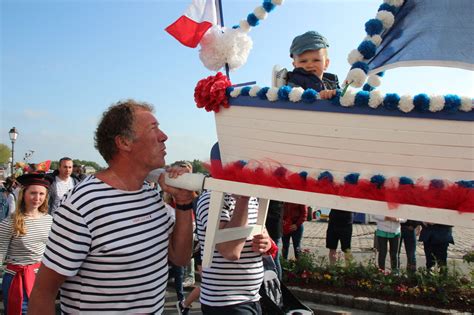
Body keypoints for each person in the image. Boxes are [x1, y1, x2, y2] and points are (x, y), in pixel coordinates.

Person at [27, 99, 195, 314]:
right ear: (124, 142)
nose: (164, 136)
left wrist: (183, 204)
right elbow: (43, 292)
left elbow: (180, 258)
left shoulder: (150, 195)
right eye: (154, 128)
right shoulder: (83, 204)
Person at [194, 191, 272, 314]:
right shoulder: (211, 199)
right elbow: (230, 251)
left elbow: (264, 235)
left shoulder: (251, 199)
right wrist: (243, 198)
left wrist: (265, 243)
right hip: (225, 301)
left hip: (252, 297)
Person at [0, 173, 53, 315]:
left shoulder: (49, 220)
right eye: (33, 193)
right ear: (23, 194)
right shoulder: (10, 222)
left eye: (41, 194)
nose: (37, 198)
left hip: (41, 279)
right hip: (17, 279)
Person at [286, 30, 340, 99]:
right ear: (295, 65)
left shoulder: (332, 82)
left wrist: (337, 94)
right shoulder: (296, 80)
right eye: (303, 61)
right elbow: (295, 96)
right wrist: (318, 96)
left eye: (316, 60)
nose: (310, 65)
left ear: (326, 64)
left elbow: (342, 98)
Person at [265, 200, 284, 279]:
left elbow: (275, 214)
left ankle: (278, 281)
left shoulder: (276, 200)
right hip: (273, 229)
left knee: (274, 258)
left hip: (273, 230)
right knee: (272, 259)